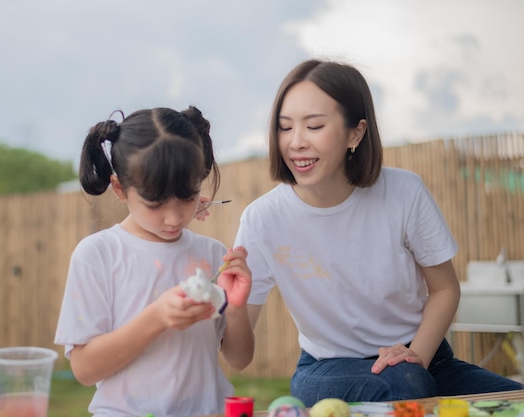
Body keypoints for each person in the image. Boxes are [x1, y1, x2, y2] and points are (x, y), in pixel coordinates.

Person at [234, 59, 522, 405]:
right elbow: (237, 358)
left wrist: (417, 355)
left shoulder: (404, 192)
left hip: (424, 357)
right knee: (405, 386)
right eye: (284, 127)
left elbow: (445, 288)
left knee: (512, 400)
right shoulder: (263, 219)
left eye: (313, 126)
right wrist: (232, 306)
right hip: (327, 368)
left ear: (355, 133)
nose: (295, 142)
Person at [54, 106, 254, 417]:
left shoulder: (214, 255)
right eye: (156, 203)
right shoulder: (98, 255)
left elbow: (239, 359)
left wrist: (237, 308)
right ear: (120, 188)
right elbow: (84, 369)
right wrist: (158, 317)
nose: (174, 217)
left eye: (187, 197)